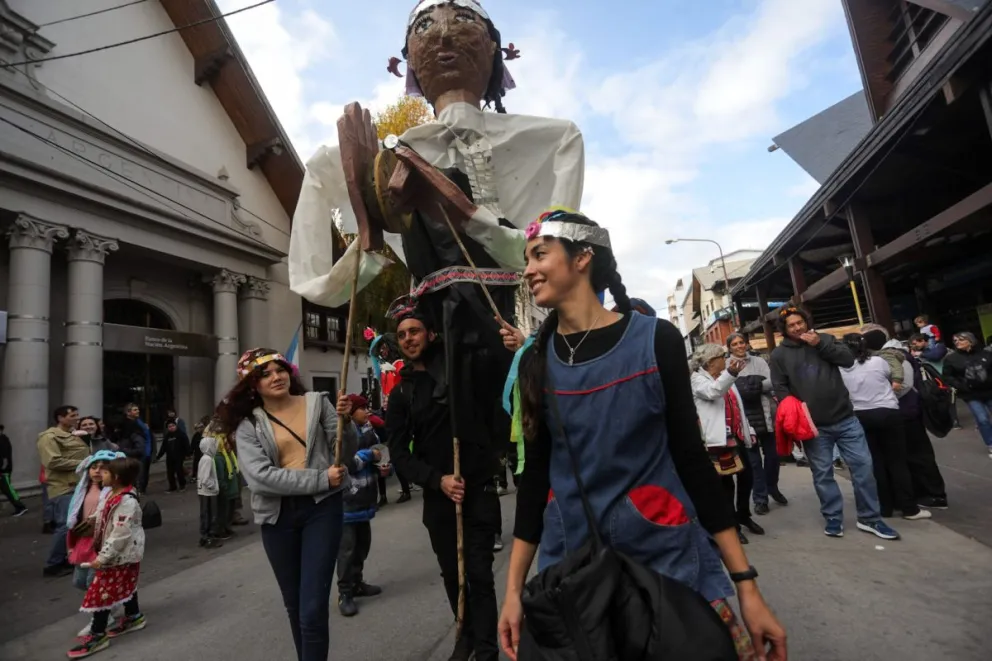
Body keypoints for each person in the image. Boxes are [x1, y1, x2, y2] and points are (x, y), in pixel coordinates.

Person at [498, 209, 785, 661]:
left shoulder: (656, 340)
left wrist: (745, 585)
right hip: (574, 573)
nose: (529, 270)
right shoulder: (536, 360)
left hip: (664, 558)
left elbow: (691, 461)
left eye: (540, 254)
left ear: (582, 257)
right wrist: (514, 591)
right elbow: (535, 480)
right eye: (527, 259)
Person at [219, 348, 355, 661]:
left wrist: (344, 423)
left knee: (312, 608)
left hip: (322, 510)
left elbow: (344, 454)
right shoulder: (248, 425)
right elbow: (261, 478)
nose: (276, 377)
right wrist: (320, 478)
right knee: (295, 606)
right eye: (264, 374)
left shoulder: (317, 403)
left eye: (280, 370)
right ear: (252, 384)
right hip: (277, 518)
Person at [386, 313, 503, 661]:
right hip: (439, 496)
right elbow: (398, 452)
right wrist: (436, 479)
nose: (408, 338)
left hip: (477, 488)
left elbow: (493, 368)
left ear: (432, 334)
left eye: (415, 331)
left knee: (479, 574)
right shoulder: (402, 392)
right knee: (454, 573)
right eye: (402, 334)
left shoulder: (460, 371)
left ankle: (487, 650)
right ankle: (465, 634)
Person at [769, 307, 899, 540]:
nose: (797, 327)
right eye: (792, 325)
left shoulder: (825, 340)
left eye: (800, 322)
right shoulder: (779, 354)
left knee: (864, 468)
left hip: (846, 419)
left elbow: (847, 360)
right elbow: (779, 386)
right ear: (784, 330)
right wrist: (794, 411)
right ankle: (833, 517)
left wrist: (819, 344)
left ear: (806, 322)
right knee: (823, 474)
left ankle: (870, 518)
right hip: (813, 426)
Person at [839, 334, 931, 521]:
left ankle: (885, 507)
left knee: (876, 463)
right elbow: (896, 377)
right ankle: (909, 508)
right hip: (888, 412)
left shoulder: (841, 369)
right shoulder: (878, 362)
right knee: (898, 462)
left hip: (861, 415)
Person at [66, 457, 147, 659]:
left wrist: (102, 558)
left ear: (116, 477)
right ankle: (134, 616)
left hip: (120, 555)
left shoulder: (126, 501)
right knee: (126, 584)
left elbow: (120, 534)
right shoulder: (112, 493)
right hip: (118, 554)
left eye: (105, 471)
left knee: (100, 592)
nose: (101, 474)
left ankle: (98, 634)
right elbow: (103, 512)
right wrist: (90, 522)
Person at [691, 344, 764, 545]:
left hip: (736, 435)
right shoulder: (697, 379)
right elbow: (713, 392)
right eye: (722, 356)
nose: (725, 359)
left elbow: (737, 406)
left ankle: (743, 514)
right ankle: (732, 524)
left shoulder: (726, 377)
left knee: (747, 476)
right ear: (711, 361)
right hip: (718, 440)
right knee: (726, 484)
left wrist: (748, 430)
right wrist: (731, 373)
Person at [337, 394, 387, 617]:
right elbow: (345, 462)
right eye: (362, 408)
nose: (367, 411)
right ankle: (345, 592)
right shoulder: (342, 433)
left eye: (367, 407)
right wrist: (370, 455)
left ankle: (357, 582)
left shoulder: (368, 429)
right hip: (347, 502)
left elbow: (379, 452)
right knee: (347, 551)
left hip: (365, 499)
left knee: (362, 546)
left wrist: (383, 466)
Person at [727, 333, 787, 514]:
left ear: (747, 344)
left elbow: (771, 382)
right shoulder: (727, 365)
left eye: (741, 342)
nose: (739, 346)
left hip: (766, 414)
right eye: (735, 344)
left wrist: (752, 386)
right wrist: (750, 385)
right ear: (729, 348)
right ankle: (760, 498)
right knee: (754, 463)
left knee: (773, 457)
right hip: (744, 419)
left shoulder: (759, 361)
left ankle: (772, 487)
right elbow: (729, 388)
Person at [66, 450, 122, 637]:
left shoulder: (113, 490)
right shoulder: (83, 488)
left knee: (94, 581)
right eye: (94, 467)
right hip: (83, 539)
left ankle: (102, 617)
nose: (97, 471)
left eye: (103, 468)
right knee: (79, 581)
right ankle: (112, 600)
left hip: (102, 541)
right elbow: (74, 514)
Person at [38, 405, 91, 577]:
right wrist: (84, 463)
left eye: (77, 414)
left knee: (74, 524)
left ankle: (66, 558)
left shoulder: (74, 434)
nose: (77, 418)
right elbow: (52, 461)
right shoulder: (49, 437)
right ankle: (53, 564)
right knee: (64, 525)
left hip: (78, 485)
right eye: (72, 415)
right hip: (63, 487)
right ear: (60, 418)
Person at [943, 331, 992, 458]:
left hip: (989, 390)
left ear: (971, 341)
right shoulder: (952, 359)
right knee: (982, 419)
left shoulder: (986, 354)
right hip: (970, 394)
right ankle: (990, 444)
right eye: (955, 341)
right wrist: (961, 386)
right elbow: (948, 377)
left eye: (961, 339)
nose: (957, 342)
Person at [196, 436, 226, 549]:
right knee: (210, 514)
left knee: (206, 514)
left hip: (204, 491)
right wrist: (213, 486)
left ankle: (205, 537)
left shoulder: (205, 458)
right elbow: (205, 478)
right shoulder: (208, 459)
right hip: (208, 492)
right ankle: (209, 537)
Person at [124, 404, 153, 494]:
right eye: (135, 410)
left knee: (144, 473)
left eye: (138, 409)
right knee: (137, 474)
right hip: (137, 453)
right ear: (128, 413)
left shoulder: (139, 421)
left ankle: (142, 489)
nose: (138, 411)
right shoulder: (127, 424)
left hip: (146, 452)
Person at [1, 424, 28, 516]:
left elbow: (4, 458)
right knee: (7, 489)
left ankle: (20, 507)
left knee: (8, 489)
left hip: (3, 472)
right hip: (3, 471)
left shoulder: (3, 440)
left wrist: (2, 470)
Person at [156, 420, 190, 493]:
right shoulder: (167, 436)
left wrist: (188, 454)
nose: (171, 428)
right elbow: (163, 447)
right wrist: (158, 456)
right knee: (170, 472)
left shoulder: (181, 434)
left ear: (176, 426)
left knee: (179, 471)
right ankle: (172, 487)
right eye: (169, 426)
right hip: (170, 457)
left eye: (173, 426)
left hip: (179, 456)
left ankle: (182, 485)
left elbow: (186, 444)